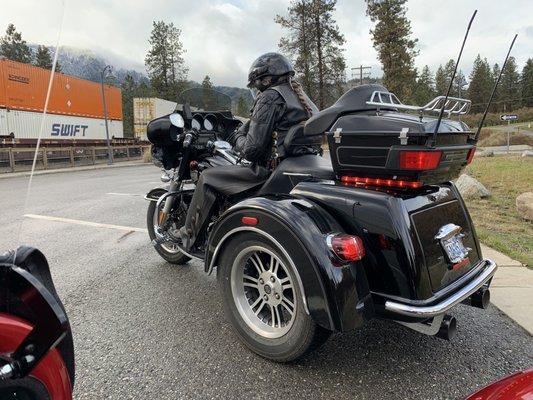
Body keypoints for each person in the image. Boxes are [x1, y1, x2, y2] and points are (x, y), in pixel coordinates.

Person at [180, 52, 319, 251]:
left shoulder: (270, 97)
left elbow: (252, 151)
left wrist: (235, 138)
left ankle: (188, 237)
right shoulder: (300, 97)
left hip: (267, 172)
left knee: (208, 177)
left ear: (265, 81)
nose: (256, 91)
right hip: (298, 166)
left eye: (256, 86)